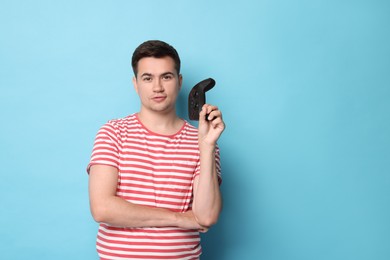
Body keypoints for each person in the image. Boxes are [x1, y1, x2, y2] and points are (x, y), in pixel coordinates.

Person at [87, 40, 225, 260]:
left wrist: (206, 146)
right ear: (136, 84)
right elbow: (102, 208)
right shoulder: (113, 132)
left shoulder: (202, 140)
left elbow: (206, 217)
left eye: (166, 77)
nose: (157, 87)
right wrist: (180, 218)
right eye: (148, 78)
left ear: (179, 82)